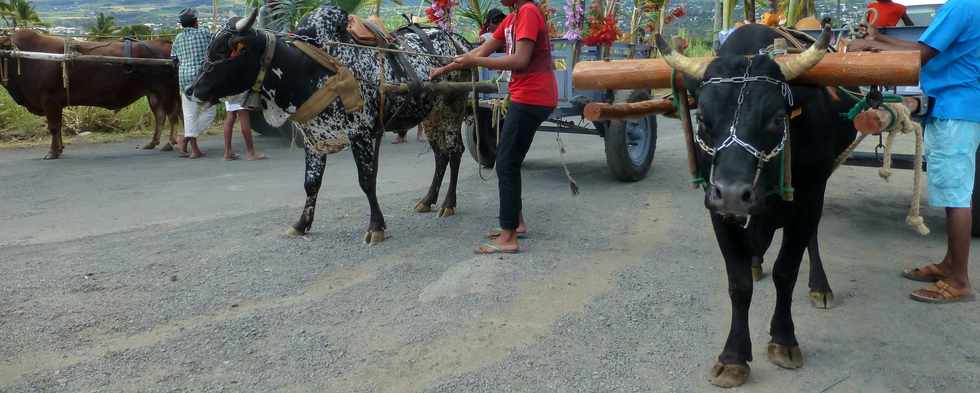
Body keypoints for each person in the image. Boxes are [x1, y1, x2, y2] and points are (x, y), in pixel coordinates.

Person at [850, 0, 979, 303]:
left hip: (955, 110)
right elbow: (925, 46)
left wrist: (868, 47)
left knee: (956, 196)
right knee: (953, 192)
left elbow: (920, 55)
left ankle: (959, 280)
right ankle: (949, 264)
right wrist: (878, 39)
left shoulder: (961, 7)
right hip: (955, 106)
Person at [430, 0, 557, 254]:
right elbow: (477, 54)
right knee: (509, 160)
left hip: (533, 97)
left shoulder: (529, 12)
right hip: (526, 96)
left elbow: (521, 60)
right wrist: (443, 69)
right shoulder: (511, 19)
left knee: (506, 162)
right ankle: (516, 223)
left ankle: (509, 237)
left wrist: (476, 61)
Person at [172, 8, 216, 159]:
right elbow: (216, 48)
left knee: (189, 114)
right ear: (196, 22)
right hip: (202, 79)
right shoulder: (204, 33)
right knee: (210, 112)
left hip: (184, 80)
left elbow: (174, 59)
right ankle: (186, 139)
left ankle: (192, 146)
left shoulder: (178, 38)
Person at [221, 93, 266, 161]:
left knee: (230, 116)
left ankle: (227, 152)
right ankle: (251, 153)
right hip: (241, 89)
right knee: (244, 115)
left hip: (229, 90)